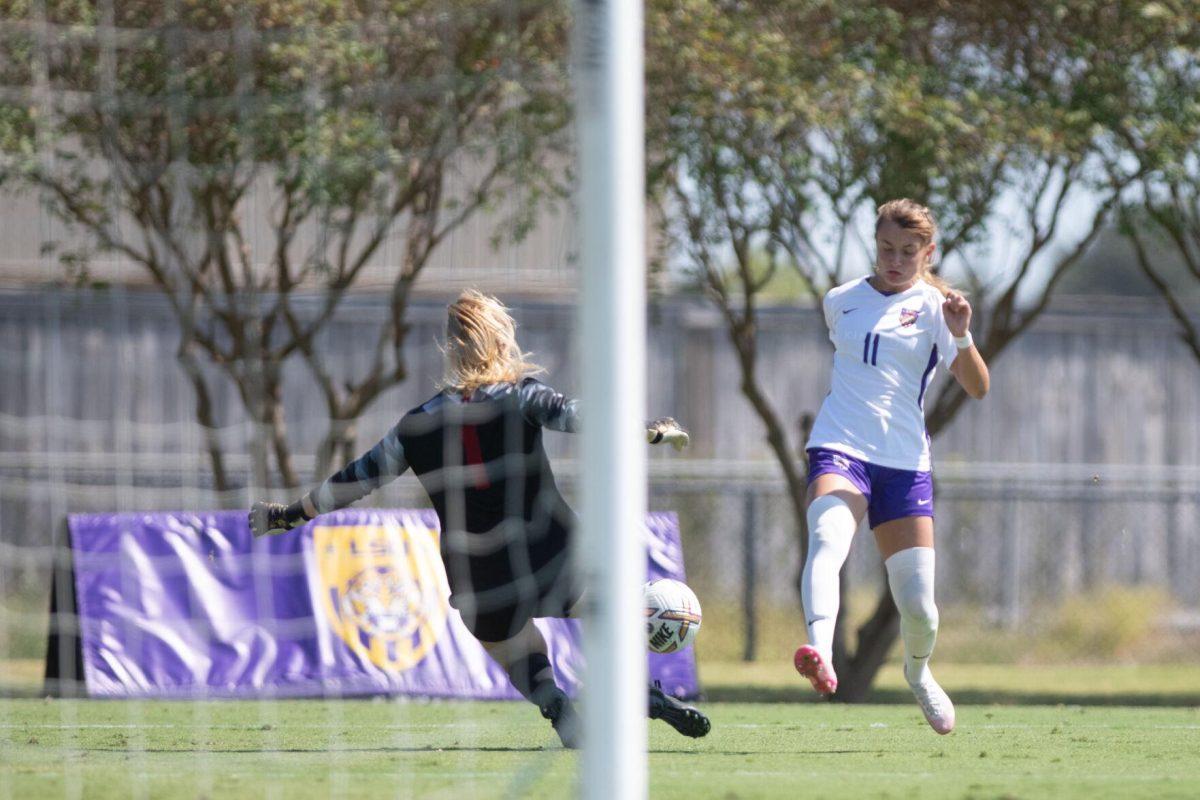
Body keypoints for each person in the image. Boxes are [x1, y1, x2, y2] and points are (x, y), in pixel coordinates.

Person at [249, 289, 710, 748]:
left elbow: (355, 479)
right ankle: (638, 692)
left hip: (477, 572)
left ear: (451, 349)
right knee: (611, 614)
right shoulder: (522, 396)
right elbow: (579, 416)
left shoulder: (416, 426)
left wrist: (289, 514)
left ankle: (557, 708)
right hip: (548, 550)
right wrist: (648, 428)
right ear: (502, 343)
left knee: (511, 646)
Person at [793, 199, 990, 735]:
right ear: (874, 245)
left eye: (908, 252)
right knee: (827, 538)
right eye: (886, 249)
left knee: (920, 607)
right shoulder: (840, 301)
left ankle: (918, 672)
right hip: (839, 446)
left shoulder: (937, 308)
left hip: (904, 463)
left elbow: (977, 387)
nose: (895, 260)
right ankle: (821, 652)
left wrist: (963, 333)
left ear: (928, 253)